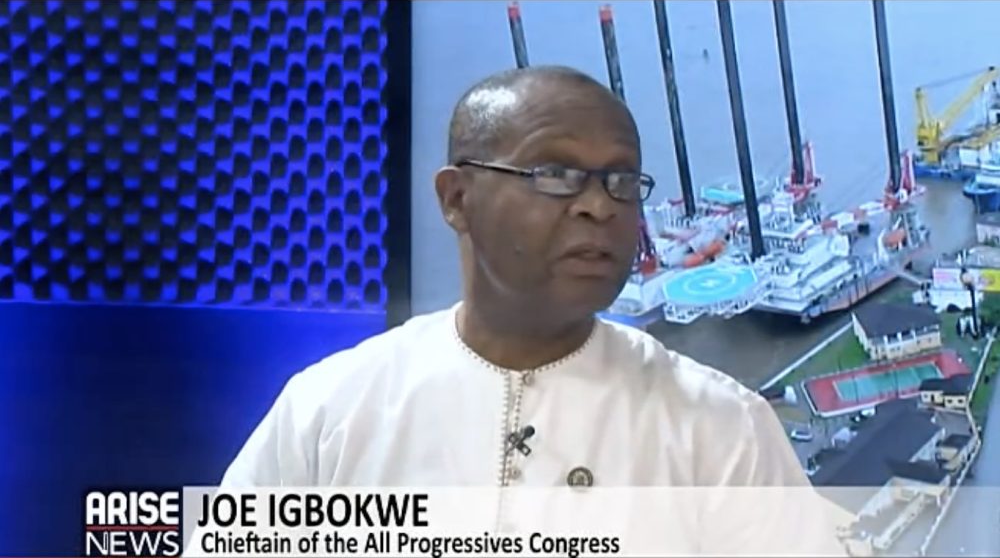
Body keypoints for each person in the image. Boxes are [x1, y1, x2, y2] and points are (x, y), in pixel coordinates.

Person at [220, 65, 846, 555]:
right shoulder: (330, 411)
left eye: (622, 181)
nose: (599, 206)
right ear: (456, 198)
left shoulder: (722, 430)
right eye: (555, 173)